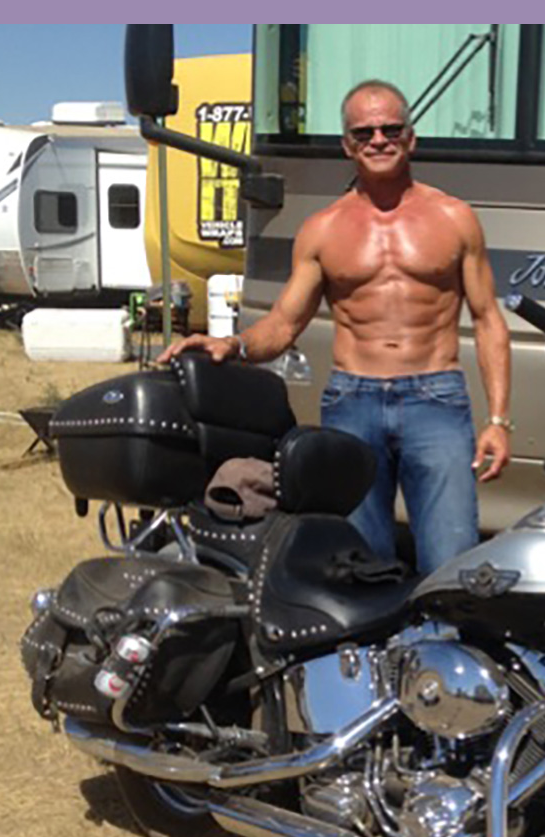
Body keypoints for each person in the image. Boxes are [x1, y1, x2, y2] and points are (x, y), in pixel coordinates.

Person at [160, 79, 512, 576]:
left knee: (450, 560)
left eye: (391, 128)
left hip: (436, 398)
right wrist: (232, 344)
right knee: (355, 561)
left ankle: (441, 651)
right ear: (347, 145)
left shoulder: (454, 218)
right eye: (364, 132)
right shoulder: (323, 229)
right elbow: (284, 323)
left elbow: (488, 319)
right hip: (354, 401)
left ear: (411, 137)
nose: (378, 140)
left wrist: (498, 421)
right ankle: (370, 654)